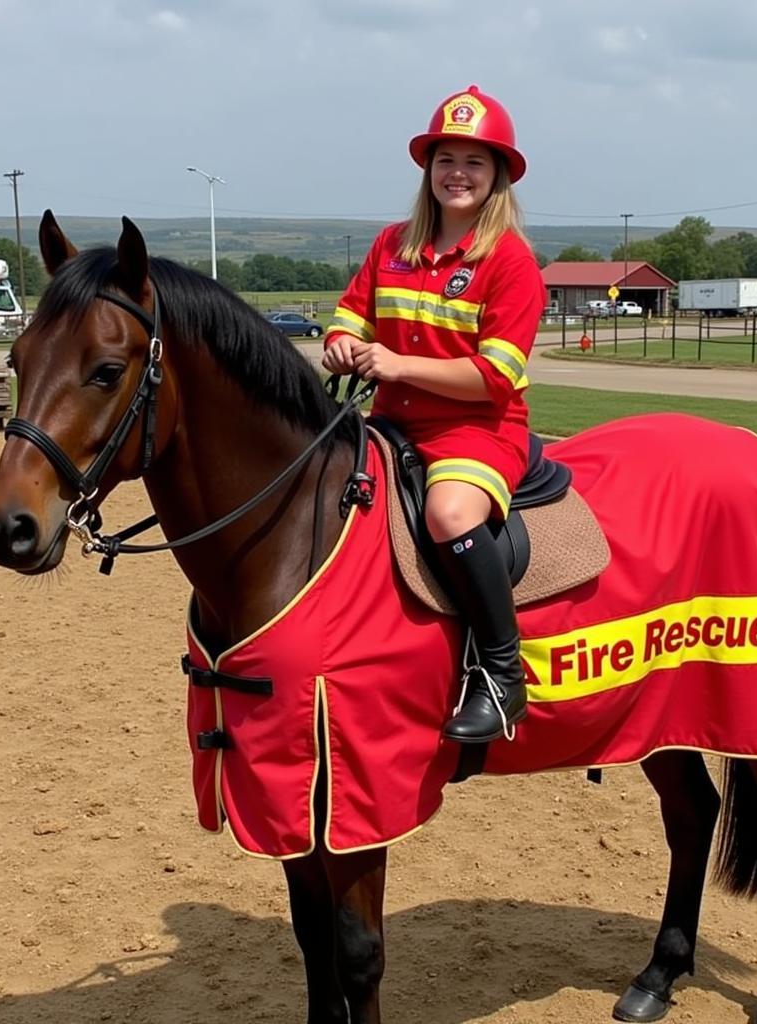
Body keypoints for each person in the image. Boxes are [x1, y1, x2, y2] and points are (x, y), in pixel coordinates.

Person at [322, 85, 545, 744]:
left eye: (475, 162)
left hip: (476, 431)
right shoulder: (392, 244)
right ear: (429, 169)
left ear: (497, 175)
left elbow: (493, 378)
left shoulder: (510, 262)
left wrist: (394, 365)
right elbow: (347, 316)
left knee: (448, 514)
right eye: (446, 158)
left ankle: (503, 676)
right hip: (389, 425)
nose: (458, 173)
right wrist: (340, 347)